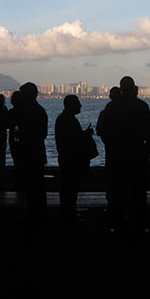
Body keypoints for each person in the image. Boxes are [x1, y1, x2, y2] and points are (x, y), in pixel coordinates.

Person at [103, 76, 150, 241]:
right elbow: (149, 131)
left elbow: (104, 131)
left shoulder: (111, 107)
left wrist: (111, 146)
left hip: (117, 155)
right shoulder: (142, 107)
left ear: (121, 88)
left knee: (118, 193)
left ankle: (118, 225)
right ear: (133, 88)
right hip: (138, 154)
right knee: (139, 193)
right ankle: (139, 225)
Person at [13, 82, 48, 239]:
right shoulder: (37, 111)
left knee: (34, 186)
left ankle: (36, 215)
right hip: (35, 153)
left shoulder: (31, 112)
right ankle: (37, 214)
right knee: (36, 186)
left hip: (31, 153)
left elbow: (37, 134)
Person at [55, 94, 93, 234]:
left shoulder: (63, 119)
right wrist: (86, 135)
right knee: (70, 189)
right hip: (71, 160)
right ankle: (69, 216)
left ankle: (68, 214)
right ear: (72, 105)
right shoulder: (69, 121)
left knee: (68, 189)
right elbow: (74, 141)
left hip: (66, 159)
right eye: (77, 103)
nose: (80, 106)